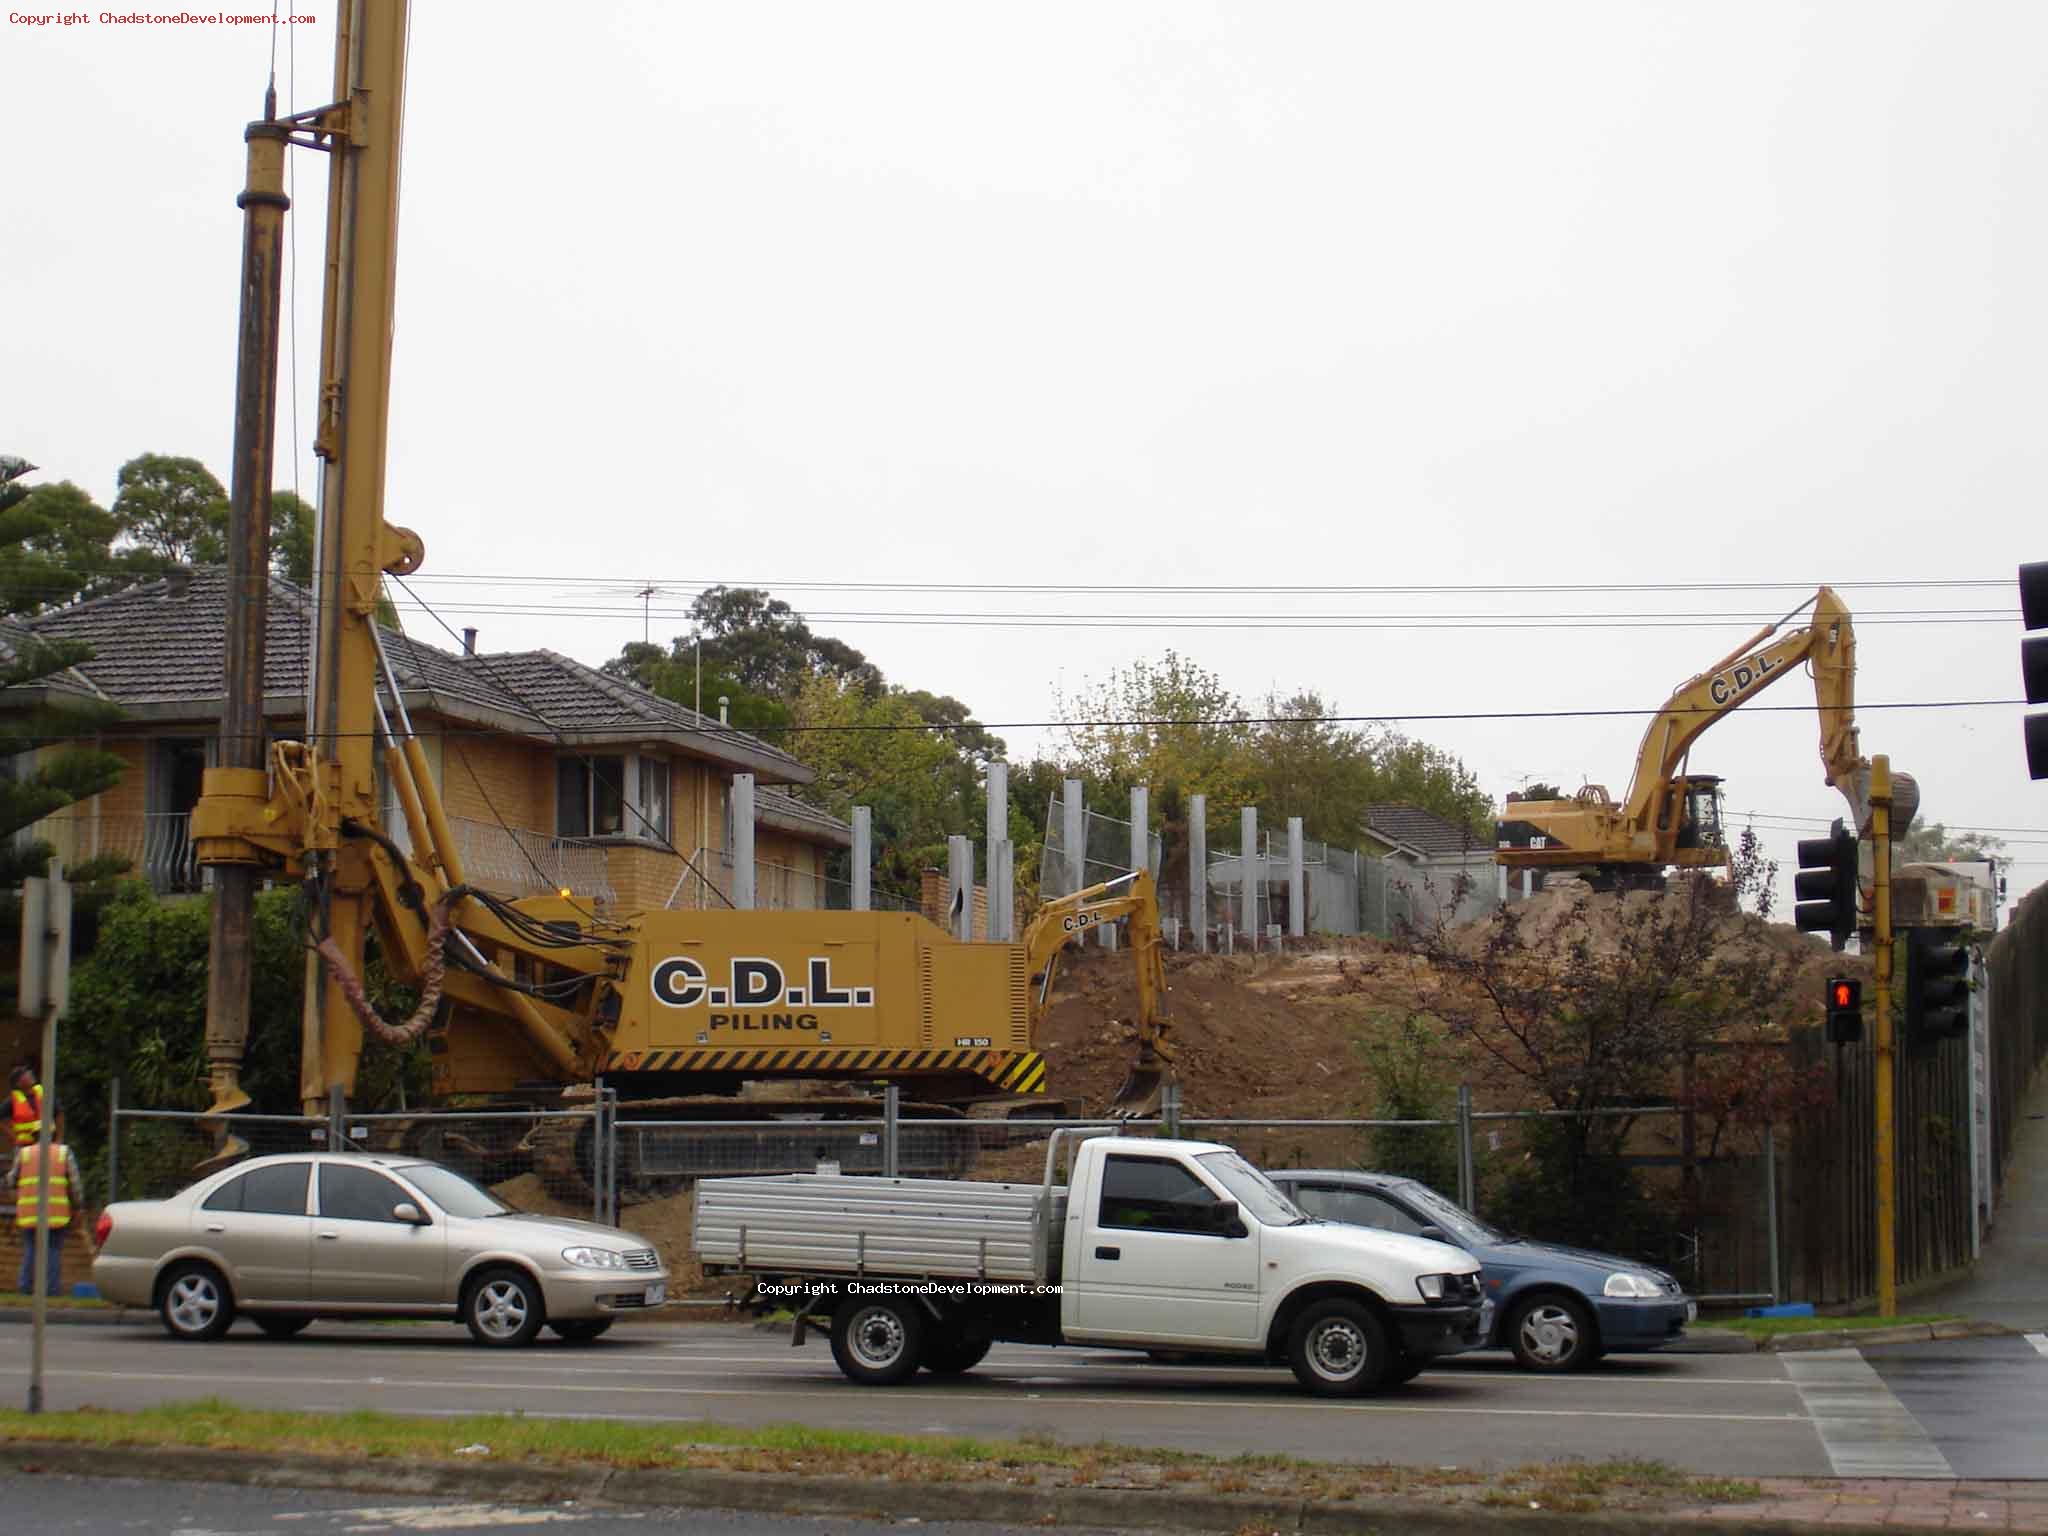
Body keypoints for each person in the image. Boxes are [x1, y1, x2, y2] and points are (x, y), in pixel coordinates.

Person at [7, 1133, 87, 1297]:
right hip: (56, 1214)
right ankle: (52, 1290)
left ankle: (25, 1288)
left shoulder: (24, 1153)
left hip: (29, 1213)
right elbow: (75, 1183)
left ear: (34, 1136)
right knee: (53, 1250)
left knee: (30, 1249)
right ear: (54, 1135)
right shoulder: (63, 1152)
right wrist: (78, 1205)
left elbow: (11, 1180)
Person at [9, 1064, 44, 1149]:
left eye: (29, 1072)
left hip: (46, 1143)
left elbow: (59, 1112)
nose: (30, 1073)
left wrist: (59, 1139)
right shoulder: (13, 1101)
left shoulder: (42, 1092)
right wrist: (14, 1138)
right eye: (25, 1074)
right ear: (18, 1083)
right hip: (25, 1147)